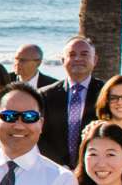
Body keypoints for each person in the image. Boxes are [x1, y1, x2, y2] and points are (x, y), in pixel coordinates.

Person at [37, 36, 100, 166]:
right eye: (72, 54)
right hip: (55, 169)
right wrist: (61, 167)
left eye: (84, 54)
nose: (78, 59)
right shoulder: (45, 95)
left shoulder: (106, 93)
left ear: (95, 60)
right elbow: (39, 135)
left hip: (95, 169)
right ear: (63, 60)